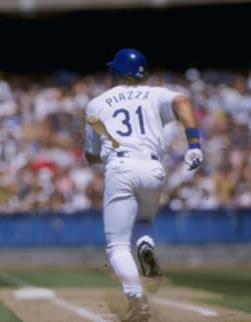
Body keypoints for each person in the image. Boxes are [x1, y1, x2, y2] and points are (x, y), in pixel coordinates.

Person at [84, 48, 203, 322]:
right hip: (152, 168)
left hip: (121, 167)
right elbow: (183, 101)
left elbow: (90, 156)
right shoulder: (155, 93)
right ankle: (146, 245)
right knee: (143, 222)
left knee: (116, 245)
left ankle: (137, 301)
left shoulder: (97, 103)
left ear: (115, 73)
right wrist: (194, 144)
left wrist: (98, 149)